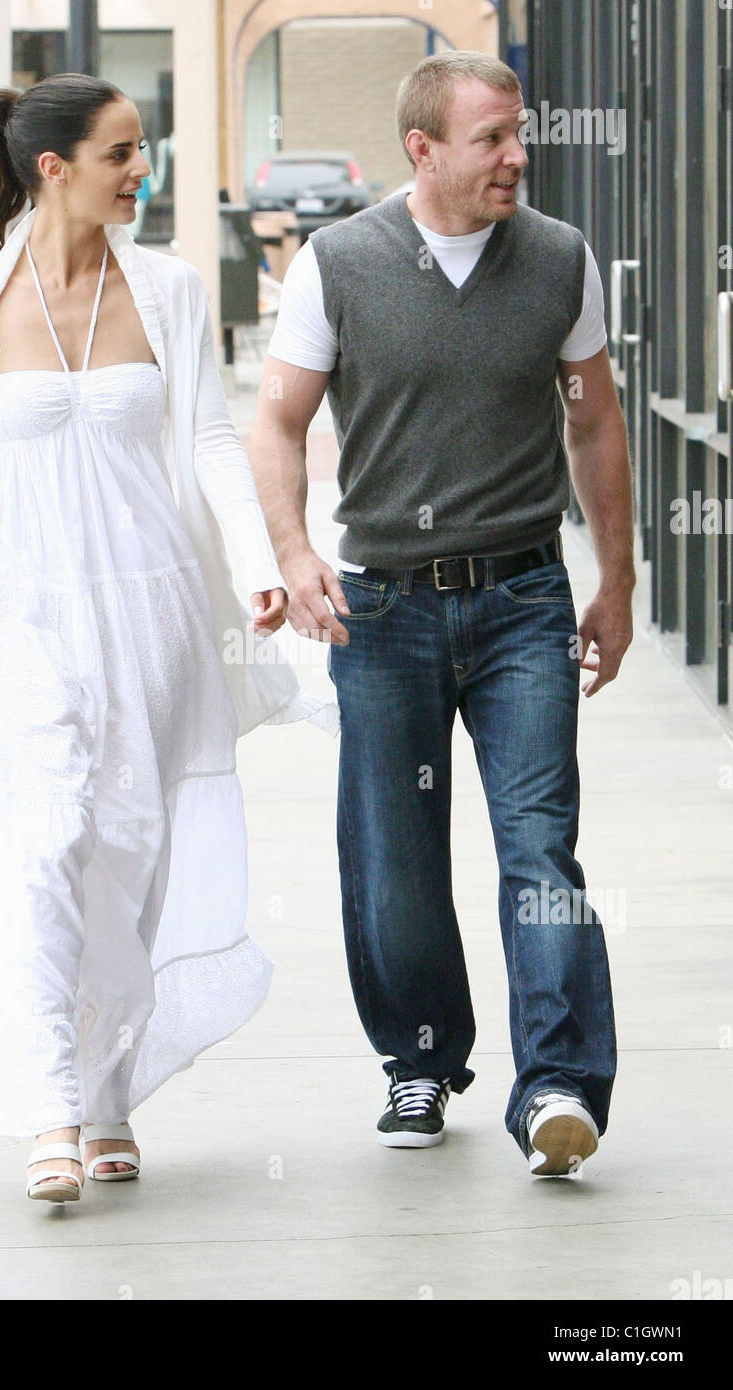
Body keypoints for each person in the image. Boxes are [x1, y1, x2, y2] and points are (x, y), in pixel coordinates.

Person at [0, 72, 339, 1204]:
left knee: (132, 851)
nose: (144, 169)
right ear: (55, 169)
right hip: (26, 611)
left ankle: (107, 1091)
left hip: (153, 611)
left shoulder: (174, 291)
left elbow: (207, 441)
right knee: (44, 843)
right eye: (123, 153)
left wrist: (254, 567)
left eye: (141, 150)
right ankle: (50, 1103)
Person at [249, 51, 634, 1177]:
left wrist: (615, 578)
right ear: (424, 149)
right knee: (394, 855)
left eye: (521, 135)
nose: (517, 156)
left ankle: (558, 1082)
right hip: (384, 606)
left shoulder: (561, 259)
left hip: (523, 598)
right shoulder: (340, 264)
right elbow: (277, 421)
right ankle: (420, 1057)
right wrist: (293, 549)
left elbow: (596, 425)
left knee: (541, 849)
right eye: (493, 140)